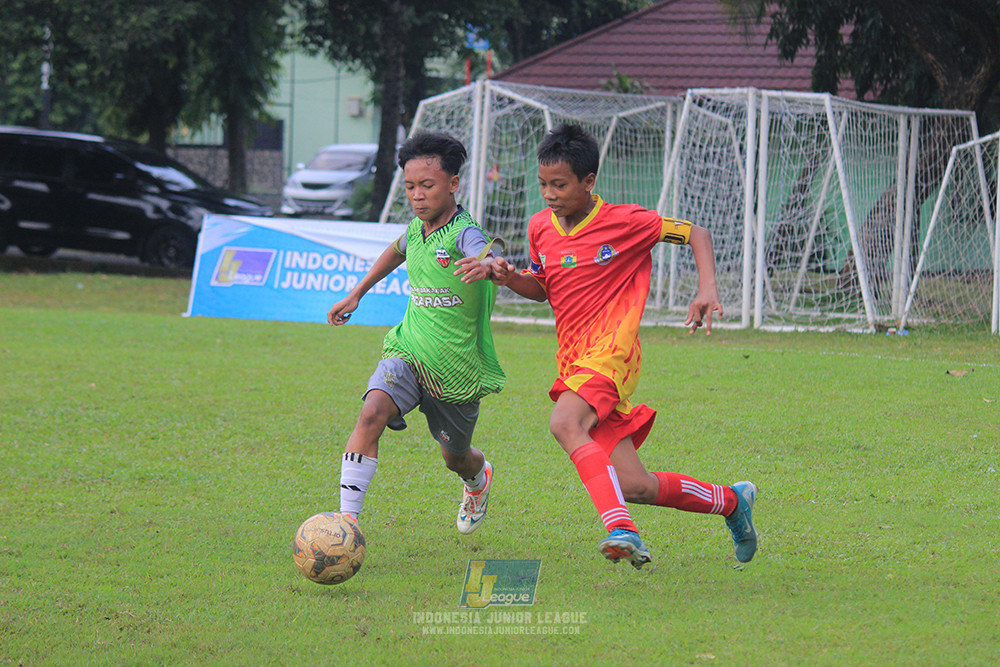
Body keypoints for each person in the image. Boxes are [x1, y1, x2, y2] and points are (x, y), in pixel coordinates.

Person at [491, 124, 758, 569]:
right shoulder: (541, 227)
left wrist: (706, 288)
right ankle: (731, 502)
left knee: (564, 423)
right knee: (636, 484)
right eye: (543, 184)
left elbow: (697, 234)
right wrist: (509, 277)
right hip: (574, 358)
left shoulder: (626, 222)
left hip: (613, 353)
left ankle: (622, 529)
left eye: (559, 184)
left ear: (588, 181)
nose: (549, 194)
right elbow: (541, 287)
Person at [327, 131, 505, 535]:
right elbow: (396, 249)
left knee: (455, 458)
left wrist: (490, 264)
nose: (417, 195)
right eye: (410, 187)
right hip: (407, 351)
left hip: (456, 371)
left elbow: (487, 249)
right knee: (371, 411)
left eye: (427, 185)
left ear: (453, 184)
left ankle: (477, 480)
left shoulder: (463, 231)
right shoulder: (416, 229)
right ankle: (346, 524)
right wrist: (357, 292)